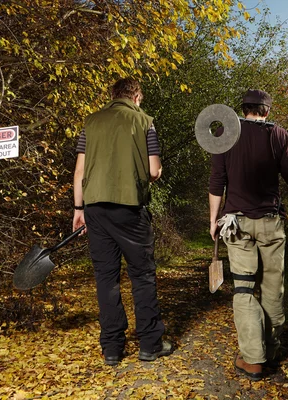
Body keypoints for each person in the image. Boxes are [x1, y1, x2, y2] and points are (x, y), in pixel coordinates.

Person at [72, 78, 172, 366]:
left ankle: (113, 348)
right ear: (136, 97)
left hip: (94, 207)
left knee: (106, 278)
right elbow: (153, 171)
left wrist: (78, 208)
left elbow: (79, 170)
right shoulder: (144, 122)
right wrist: (157, 170)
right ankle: (150, 345)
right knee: (142, 275)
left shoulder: (90, 122)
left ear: (112, 96)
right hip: (129, 209)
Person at [208, 89, 288, 380]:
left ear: (244, 108)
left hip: (236, 225)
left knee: (244, 288)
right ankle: (271, 354)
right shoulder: (278, 135)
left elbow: (216, 181)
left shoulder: (226, 133)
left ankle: (253, 359)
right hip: (270, 224)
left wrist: (213, 219)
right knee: (273, 288)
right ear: (266, 111)